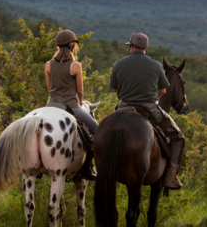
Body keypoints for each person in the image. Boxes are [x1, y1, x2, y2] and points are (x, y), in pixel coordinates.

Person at [110, 32, 185, 190]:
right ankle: (171, 177)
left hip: (123, 106)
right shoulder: (156, 65)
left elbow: (114, 88)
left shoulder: (119, 63)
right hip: (149, 107)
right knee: (178, 136)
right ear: (145, 49)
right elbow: (163, 91)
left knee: (102, 130)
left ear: (131, 47)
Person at [45, 29, 98, 180]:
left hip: (51, 105)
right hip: (72, 107)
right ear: (72, 46)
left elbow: (50, 89)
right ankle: (88, 167)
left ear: (58, 46)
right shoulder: (75, 66)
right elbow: (80, 91)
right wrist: (79, 104)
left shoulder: (48, 65)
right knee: (97, 130)